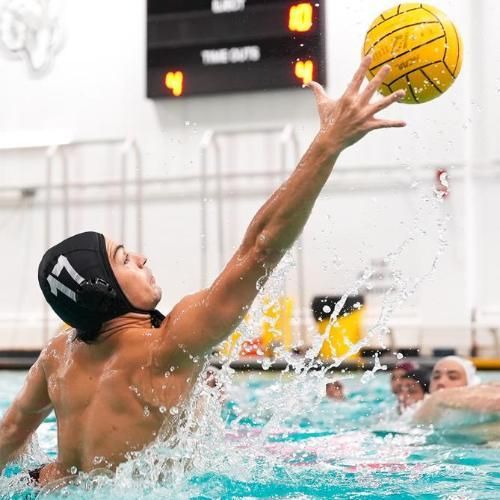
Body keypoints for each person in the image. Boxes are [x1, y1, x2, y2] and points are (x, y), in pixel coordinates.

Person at [0, 55, 406, 487]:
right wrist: (327, 144)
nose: (141, 258)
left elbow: (9, 433)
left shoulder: (57, 356)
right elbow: (261, 247)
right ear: (104, 292)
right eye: (122, 259)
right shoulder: (169, 345)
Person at [414, 356, 500, 442]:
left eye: (453, 377)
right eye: (436, 377)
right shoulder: (420, 407)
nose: (441, 382)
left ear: (470, 384)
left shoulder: (484, 413)